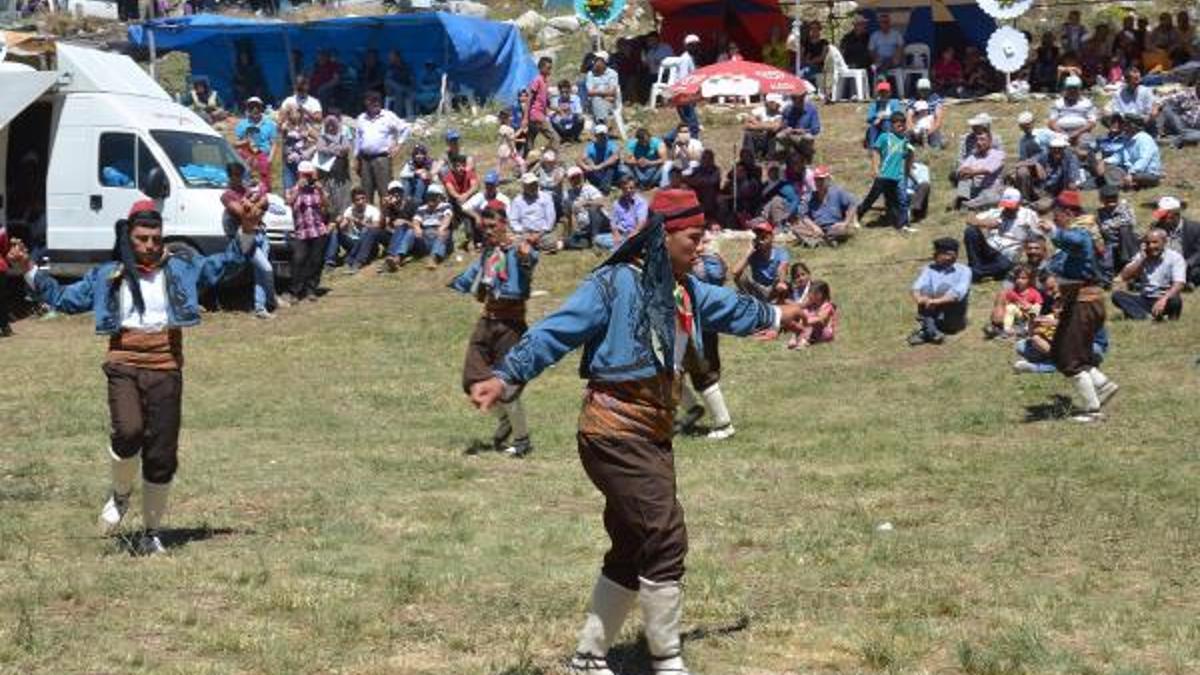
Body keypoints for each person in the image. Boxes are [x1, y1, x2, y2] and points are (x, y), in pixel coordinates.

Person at [468, 189, 806, 675]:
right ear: (662, 236)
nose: (702, 245)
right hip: (613, 431)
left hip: (651, 433)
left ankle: (588, 657)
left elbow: (730, 309)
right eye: (693, 237)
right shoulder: (613, 283)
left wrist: (778, 313)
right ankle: (666, 660)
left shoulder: (683, 289)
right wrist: (506, 375)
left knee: (633, 544)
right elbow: (555, 330)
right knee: (664, 538)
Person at [5, 201, 256, 555]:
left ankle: (151, 532)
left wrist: (246, 229)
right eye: (142, 239)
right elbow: (64, 298)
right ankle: (121, 493)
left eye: (156, 238)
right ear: (129, 238)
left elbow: (224, 266)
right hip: (123, 364)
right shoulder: (109, 275)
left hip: (166, 366)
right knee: (128, 432)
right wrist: (29, 268)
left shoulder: (181, 269)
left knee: (162, 453)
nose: (150, 245)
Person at [450, 209, 539, 457]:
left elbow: (530, 261)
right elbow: (471, 277)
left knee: (507, 386)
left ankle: (522, 441)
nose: (487, 231)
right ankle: (506, 421)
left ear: (504, 224)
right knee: (473, 381)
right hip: (486, 323)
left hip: (510, 326)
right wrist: (453, 285)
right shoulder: (488, 252)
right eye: (485, 227)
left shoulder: (518, 248)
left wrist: (524, 255)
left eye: (492, 226)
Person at [1035, 191, 1119, 422]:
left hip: (1084, 303)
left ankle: (1093, 410)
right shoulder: (1080, 232)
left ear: (1069, 213)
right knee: (1064, 352)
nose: (1055, 219)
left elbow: (1075, 242)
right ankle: (1103, 385)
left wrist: (1053, 231)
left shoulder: (1081, 232)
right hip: (1080, 302)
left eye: (1057, 216)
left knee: (1069, 359)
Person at [220, 162, 280, 320]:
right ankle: (271, 298)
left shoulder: (246, 191)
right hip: (245, 236)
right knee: (266, 268)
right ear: (230, 177)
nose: (238, 180)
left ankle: (261, 306)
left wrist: (253, 205)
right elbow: (242, 213)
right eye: (235, 177)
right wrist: (256, 206)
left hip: (259, 232)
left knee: (261, 271)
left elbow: (265, 203)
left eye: (240, 176)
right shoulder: (227, 195)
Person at [962, 187, 1038, 282]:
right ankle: (977, 268)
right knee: (970, 231)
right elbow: (969, 220)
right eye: (1006, 205)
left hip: (1007, 255)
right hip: (990, 249)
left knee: (1005, 265)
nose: (1008, 209)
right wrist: (983, 223)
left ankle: (974, 272)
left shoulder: (1028, 215)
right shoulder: (997, 212)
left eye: (1011, 206)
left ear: (1019, 203)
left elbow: (1038, 237)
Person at [857, 111, 915, 232]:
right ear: (892, 125)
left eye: (903, 126)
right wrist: (875, 168)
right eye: (898, 126)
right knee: (872, 197)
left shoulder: (905, 140)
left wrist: (908, 171)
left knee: (902, 200)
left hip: (898, 176)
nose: (901, 128)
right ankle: (857, 216)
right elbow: (876, 151)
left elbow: (908, 155)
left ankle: (903, 224)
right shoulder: (885, 137)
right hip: (884, 174)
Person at [908, 237, 971, 346]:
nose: (934, 255)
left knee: (943, 287)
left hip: (952, 318)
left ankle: (928, 331)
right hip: (932, 313)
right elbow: (916, 287)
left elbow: (957, 295)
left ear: (951, 255)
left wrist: (934, 302)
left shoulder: (964, 271)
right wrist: (919, 298)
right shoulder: (929, 269)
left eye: (938, 253)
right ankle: (933, 331)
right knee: (925, 289)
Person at [1112, 229, 1186, 321]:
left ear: (1164, 242)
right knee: (1117, 296)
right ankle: (1146, 317)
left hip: (1165, 298)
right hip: (1145, 298)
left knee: (1175, 299)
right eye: (1148, 243)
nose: (1151, 246)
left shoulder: (1175, 258)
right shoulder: (1142, 256)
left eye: (1155, 242)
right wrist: (1142, 259)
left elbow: (1179, 284)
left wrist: (1163, 300)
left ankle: (1139, 314)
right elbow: (1124, 276)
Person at [355, 90, 410, 206]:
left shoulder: (388, 116)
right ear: (366, 102)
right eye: (372, 101)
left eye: (378, 101)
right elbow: (358, 139)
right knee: (366, 192)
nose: (376, 103)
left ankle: (386, 219)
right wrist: (356, 159)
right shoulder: (361, 118)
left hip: (382, 159)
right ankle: (369, 220)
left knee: (385, 191)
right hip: (365, 159)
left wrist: (398, 145)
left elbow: (405, 128)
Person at [285, 162, 330, 303]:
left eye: (309, 175)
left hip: (318, 230)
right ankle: (295, 291)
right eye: (304, 174)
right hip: (302, 231)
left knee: (316, 261)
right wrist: (298, 188)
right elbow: (288, 203)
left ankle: (311, 289)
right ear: (299, 174)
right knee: (299, 260)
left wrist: (321, 191)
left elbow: (326, 205)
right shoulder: (292, 189)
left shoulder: (317, 189)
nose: (307, 177)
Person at [384, 183, 453, 270]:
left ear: (439, 197)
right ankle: (398, 258)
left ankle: (433, 258)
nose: (430, 199)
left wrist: (442, 227)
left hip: (439, 235)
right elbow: (416, 220)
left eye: (433, 196)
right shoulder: (422, 208)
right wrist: (417, 228)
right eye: (429, 196)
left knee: (444, 232)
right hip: (425, 236)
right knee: (411, 231)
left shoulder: (446, 206)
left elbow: (447, 218)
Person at [1010, 134, 1079, 210]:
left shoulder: (1071, 159)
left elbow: (1073, 180)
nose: (1056, 150)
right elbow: (1019, 164)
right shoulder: (1045, 154)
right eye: (1054, 148)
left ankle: (1028, 206)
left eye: (1059, 148)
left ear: (1064, 148)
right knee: (1022, 171)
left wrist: (1070, 189)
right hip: (1037, 187)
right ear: (1050, 148)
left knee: (1044, 206)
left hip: (1051, 194)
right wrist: (1036, 164)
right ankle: (1024, 200)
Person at [1098, 114, 1162, 190]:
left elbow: (1143, 160)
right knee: (1109, 167)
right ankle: (1127, 184)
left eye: (1126, 125)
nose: (1123, 128)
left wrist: (1131, 173)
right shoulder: (1127, 139)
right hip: (1129, 172)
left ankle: (1126, 184)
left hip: (1147, 173)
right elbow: (1118, 156)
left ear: (1133, 126)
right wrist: (1104, 162)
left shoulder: (1144, 138)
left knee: (1137, 177)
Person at [732, 219, 790, 302]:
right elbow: (735, 271)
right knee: (739, 277)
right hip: (758, 287)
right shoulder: (754, 254)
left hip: (773, 288)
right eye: (758, 236)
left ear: (771, 236)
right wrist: (749, 252)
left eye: (764, 236)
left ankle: (775, 303)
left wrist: (781, 281)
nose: (760, 240)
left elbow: (782, 268)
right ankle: (753, 300)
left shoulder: (781, 252)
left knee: (782, 286)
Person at [1151, 196, 1200, 288]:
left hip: (1187, 266)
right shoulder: (1156, 228)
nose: (1161, 220)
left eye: (1164, 217)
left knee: (1196, 271)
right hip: (1164, 265)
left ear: (1176, 215)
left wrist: (1187, 263)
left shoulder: (1195, 228)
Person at [1095, 184, 1139, 284]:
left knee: (1125, 229)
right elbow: (1100, 229)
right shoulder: (1100, 213)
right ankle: (1106, 276)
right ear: (1102, 199)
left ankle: (1128, 262)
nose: (1111, 202)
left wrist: (1109, 226)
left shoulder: (1125, 207)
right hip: (1110, 243)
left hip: (1127, 244)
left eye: (1113, 198)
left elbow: (1130, 222)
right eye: (1108, 199)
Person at [953, 130, 1006, 211]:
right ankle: (968, 203)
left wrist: (972, 172)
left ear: (990, 141)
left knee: (992, 197)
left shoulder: (998, 154)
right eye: (977, 140)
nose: (978, 142)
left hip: (991, 189)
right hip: (975, 189)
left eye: (982, 139)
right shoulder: (973, 156)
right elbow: (960, 170)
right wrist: (964, 171)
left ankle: (969, 205)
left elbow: (989, 170)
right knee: (964, 180)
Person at [315, 114, 355, 220]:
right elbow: (320, 148)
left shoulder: (343, 137)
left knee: (343, 201)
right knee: (329, 201)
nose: (331, 127)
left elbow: (346, 148)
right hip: (327, 176)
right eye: (328, 125)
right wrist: (336, 150)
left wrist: (331, 149)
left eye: (333, 125)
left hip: (342, 177)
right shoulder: (322, 137)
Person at [326, 187, 377, 268]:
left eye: (363, 198)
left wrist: (360, 222)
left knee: (366, 230)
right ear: (353, 201)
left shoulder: (372, 210)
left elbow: (376, 228)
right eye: (358, 200)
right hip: (353, 241)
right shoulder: (350, 210)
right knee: (335, 230)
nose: (361, 202)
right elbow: (342, 228)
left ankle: (354, 258)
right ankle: (330, 260)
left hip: (367, 242)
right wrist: (339, 223)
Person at [233, 97, 277, 192]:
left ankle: (265, 193)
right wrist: (246, 142)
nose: (254, 109)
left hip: (263, 154)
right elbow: (236, 143)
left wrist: (270, 158)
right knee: (245, 178)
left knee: (264, 180)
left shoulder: (270, 124)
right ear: (248, 109)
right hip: (246, 154)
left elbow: (273, 143)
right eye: (251, 107)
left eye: (257, 107)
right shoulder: (242, 124)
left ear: (261, 108)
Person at [508, 173, 559, 253]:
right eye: (530, 185)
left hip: (541, 233)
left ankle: (529, 247)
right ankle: (535, 247)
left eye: (534, 184)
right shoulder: (517, 201)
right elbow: (513, 221)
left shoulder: (546, 198)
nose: (533, 186)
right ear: (524, 186)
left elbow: (550, 219)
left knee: (551, 241)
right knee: (512, 241)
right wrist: (525, 234)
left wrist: (538, 235)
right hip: (524, 233)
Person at [1047, 76, 1098, 153]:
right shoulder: (1058, 103)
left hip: (1082, 132)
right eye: (1069, 88)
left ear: (1079, 89)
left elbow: (1092, 123)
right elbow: (1051, 123)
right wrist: (1063, 133)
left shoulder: (1087, 103)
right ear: (1065, 89)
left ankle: (1084, 163)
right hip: (1061, 132)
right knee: (1054, 144)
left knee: (1086, 142)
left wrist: (1077, 132)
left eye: (1075, 88)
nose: (1072, 91)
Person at [562, 166, 607, 249]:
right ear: (569, 180)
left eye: (578, 177)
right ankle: (589, 243)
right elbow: (567, 216)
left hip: (600, 223)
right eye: (573, 178)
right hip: (584, 228)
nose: (576, 180)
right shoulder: (567, 195)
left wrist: (586, 203)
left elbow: (601, 202)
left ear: (582, 177)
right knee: (567, 242)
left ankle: (595, 238)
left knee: (593, 209)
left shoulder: (589, 188)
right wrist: (568, 235)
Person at [523, 56, 561, 154]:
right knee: (555, 138)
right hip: (536, 115)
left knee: (529, 142)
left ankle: (524, 163)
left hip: (538, 114)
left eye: (550, 68)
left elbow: (546, 102)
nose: (549, 70)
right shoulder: (537, 80)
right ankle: (546, 156)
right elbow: (529, 99)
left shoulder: (545, 81)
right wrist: (525, 118)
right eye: (548, 68)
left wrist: (556, 109)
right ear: (541, 68)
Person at [787, 279, 837, 350]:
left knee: (810, 322)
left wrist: (806, 321)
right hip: (814, 334)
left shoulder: (827, 306)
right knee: (804, 313)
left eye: (812, 293)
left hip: (825, 333)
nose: (809, 295)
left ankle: (804, 341)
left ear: (820, 295)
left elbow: (820, 319)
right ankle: (795, 338)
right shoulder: (812, 306)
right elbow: (800, 308)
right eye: (809, 292)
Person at [443, 154, 481, 248]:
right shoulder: (448, 177)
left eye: (463, 166)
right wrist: (460, 197)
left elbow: (475, 186)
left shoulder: (469, 173)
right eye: (458, 166)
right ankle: (472, 238)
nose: (461, 168)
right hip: (456, 201)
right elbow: (451, 191)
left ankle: (474, 237)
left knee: (467, 210)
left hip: (468, 199)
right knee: (465, 211)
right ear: (453, 167)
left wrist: (466, 195)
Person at [602, 175, 648, 250]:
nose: (628, 190)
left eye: (631, 188)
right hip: (621, 233)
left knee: (635, 241)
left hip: (634, 234)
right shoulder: (617, 203)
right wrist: (616, 234)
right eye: (625, 188)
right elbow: (613, 222)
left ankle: (620, 247)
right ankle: (622, 247)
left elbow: (641, 223)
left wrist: (631, 236)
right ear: (622, 189)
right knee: (598, 239)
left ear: (635, 188)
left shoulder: (641, 203)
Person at [776, 89, 821, 160]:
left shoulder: (811, 109)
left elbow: (816, 129)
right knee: (779, 136)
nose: (797, 103)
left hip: (804, 135)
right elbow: (783, 124)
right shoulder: (787, 109)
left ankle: (806, 155)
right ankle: (788, 155)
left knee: (808, 137)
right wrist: (785, 128)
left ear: (803, 98)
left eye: (799, 100)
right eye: (794, 99)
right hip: (790, 134)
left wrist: (805, 131)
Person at [1000, 265, 1043, 337]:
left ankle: (1027, 329)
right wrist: (1015, 304)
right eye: (1018, 278)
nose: (1020, 280)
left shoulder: (1033, 292)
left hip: (1029, 315)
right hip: (1019, 313)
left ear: (1029, 280)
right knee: (1010, 307)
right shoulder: (1012, 292)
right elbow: (1007, 302)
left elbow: (1039, 304)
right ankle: (1007, 329)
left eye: (1023, 278)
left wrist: (1030, 306)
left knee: (1036, 309)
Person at [579, 124, 622, 195]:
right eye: (600, 135)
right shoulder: (590, 147)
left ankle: (604, 186)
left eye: (604, 135)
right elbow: (580, 159)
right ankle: (604, 186)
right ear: (596, 136)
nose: (603, 137)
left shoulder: (611, 144)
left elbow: (616, 157)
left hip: (608, 169)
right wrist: (586, 167)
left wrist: (600, 166)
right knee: (586, 169)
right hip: (596, 170)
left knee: (614, 166)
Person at [868, 12, 905, 88]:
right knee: (883, 61)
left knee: (884, 62)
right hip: (880, 59)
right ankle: (883, 83)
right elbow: (871, 50)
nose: (884, 24)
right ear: (879, 24)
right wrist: (876, 57)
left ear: (890, 23)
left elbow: (901, 47)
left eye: (886, 22)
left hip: (893, 59)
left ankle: (881, 81)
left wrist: (897, 57)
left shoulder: (896, 34)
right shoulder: (875, 35)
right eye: (882, 22)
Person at [675, 35, 701, 137]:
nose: (695, 48)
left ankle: (670, 139)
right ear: (687, 46)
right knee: (692, 125)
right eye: (692, 45)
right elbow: (684, 79)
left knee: (687, 123)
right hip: (683, 94)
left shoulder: (690, 58)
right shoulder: (685, 59)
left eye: (696, 45)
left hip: (687, 95)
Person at [743, 94, 784, 160]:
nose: (778, 105)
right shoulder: (759, 110)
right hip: (759, 136)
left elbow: (775, 127)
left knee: (772, 134)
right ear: (769, 103)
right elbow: (746, 125)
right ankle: (750, 157)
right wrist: (767, 125)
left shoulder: (780, 113)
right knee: (748, 134)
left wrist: (757, 123)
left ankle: (770, 158)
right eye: (776, 103)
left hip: (771, 139)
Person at [906, 79, 945, 148]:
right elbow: (909, 118)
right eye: (921, 90)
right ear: (917, 90)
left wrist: (929, 132)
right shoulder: (913, 100)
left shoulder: (936, 99)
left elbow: (938, 120)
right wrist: (915, 130)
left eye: (926, 90)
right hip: (916, 127)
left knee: (937, 144)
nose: (923, 92)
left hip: (931, 127)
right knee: (906, 138)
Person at [585, 52, 620, 126]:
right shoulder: (590, 74)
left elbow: (612, 92)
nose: (595, 63)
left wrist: (596, 91)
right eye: (595, 60)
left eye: (597, 60)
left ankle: (601, 124)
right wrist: (605, 94)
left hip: (609, 104)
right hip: (594, 104)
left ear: (604, 62)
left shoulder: (612, 74)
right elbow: (590, 92)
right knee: (596, 99)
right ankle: (603, 123)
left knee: (596, 99)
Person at [1162, 79, 1200, 148]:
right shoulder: (1186, 93)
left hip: (1195, 128)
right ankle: (1187, 136)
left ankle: (1181, 137)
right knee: (1167, 108)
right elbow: (1164, 100)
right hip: (1179, 123)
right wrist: (1155, 107)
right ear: (1197, 84)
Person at [864, 81, 903, 149]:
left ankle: (889, 145)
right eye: (881, 92)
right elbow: (869, 118)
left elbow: (897, 115)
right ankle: (873, 147)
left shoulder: (894, 102)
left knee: (886, 123)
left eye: (885, 92)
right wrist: (877, 117)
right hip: (878, 126)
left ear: (889, 93)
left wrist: (882, 117)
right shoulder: (875, 104)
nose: (883, 94)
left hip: (891, 125)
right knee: (873, 126)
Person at [550, 79, 585, 143]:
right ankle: (563, 137)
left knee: (581, 119)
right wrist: (559, 111)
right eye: (562, 92)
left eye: (566, 92)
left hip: (573, 124)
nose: (564, 94)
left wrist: (570, 111)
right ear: (559, 91)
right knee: (551, 119)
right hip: (562, 125)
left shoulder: (576, 98)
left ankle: (574, 136)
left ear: (570, 90)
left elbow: (579, 112)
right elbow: (551, 115)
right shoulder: (556, 100)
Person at [496, 108, 525, 178]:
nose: (512, 118)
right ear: (505, 119)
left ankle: (495, 180)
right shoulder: (503, 127)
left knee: (499, 165)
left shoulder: (509, 127)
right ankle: (495, 179)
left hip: (510, 149)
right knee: (500, 166)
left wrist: (521, 129)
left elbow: (513, 136)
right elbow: (509, 139)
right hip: (506, 149)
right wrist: (520, 140)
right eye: (510, 116)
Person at [384, 50, 413, 116]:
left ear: (397, 57)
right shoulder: (390, 68)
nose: (390, 59)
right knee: (397, 89)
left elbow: (410, 79)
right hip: (392, 90)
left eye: (392, 57)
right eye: (390, 57)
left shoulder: (405, 66)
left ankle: (409, 115)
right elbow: (388, 81)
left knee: (406, 93)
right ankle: (397, 115)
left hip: (404, 87)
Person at [0, 223, 12, 337]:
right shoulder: (2, 230)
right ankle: (4, 327)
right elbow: (4, 249)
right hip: (1, 268)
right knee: (2, 299)